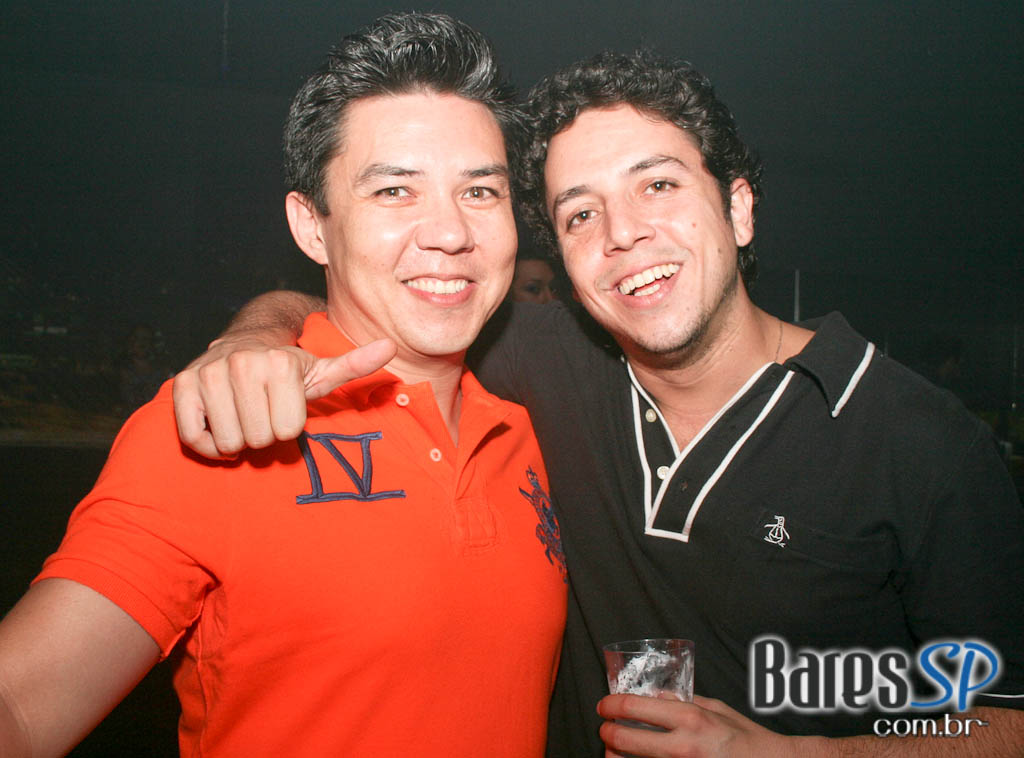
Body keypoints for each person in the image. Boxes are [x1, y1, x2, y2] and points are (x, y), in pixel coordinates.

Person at [171, 49, 1024, 757]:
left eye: (659, 187)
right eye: (581, 215)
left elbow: (1008, 721)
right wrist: (253, 338)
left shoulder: (919, 441)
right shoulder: (539, 360)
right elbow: (366, 303)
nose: (623, 234)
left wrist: (795, 755)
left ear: (738, 209)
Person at [0, 14, 566, 757]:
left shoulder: (524, 431)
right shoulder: (220, 421)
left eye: (481, 192)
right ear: (312, 227)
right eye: (395, 190)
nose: (451, 232)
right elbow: (21, 706)